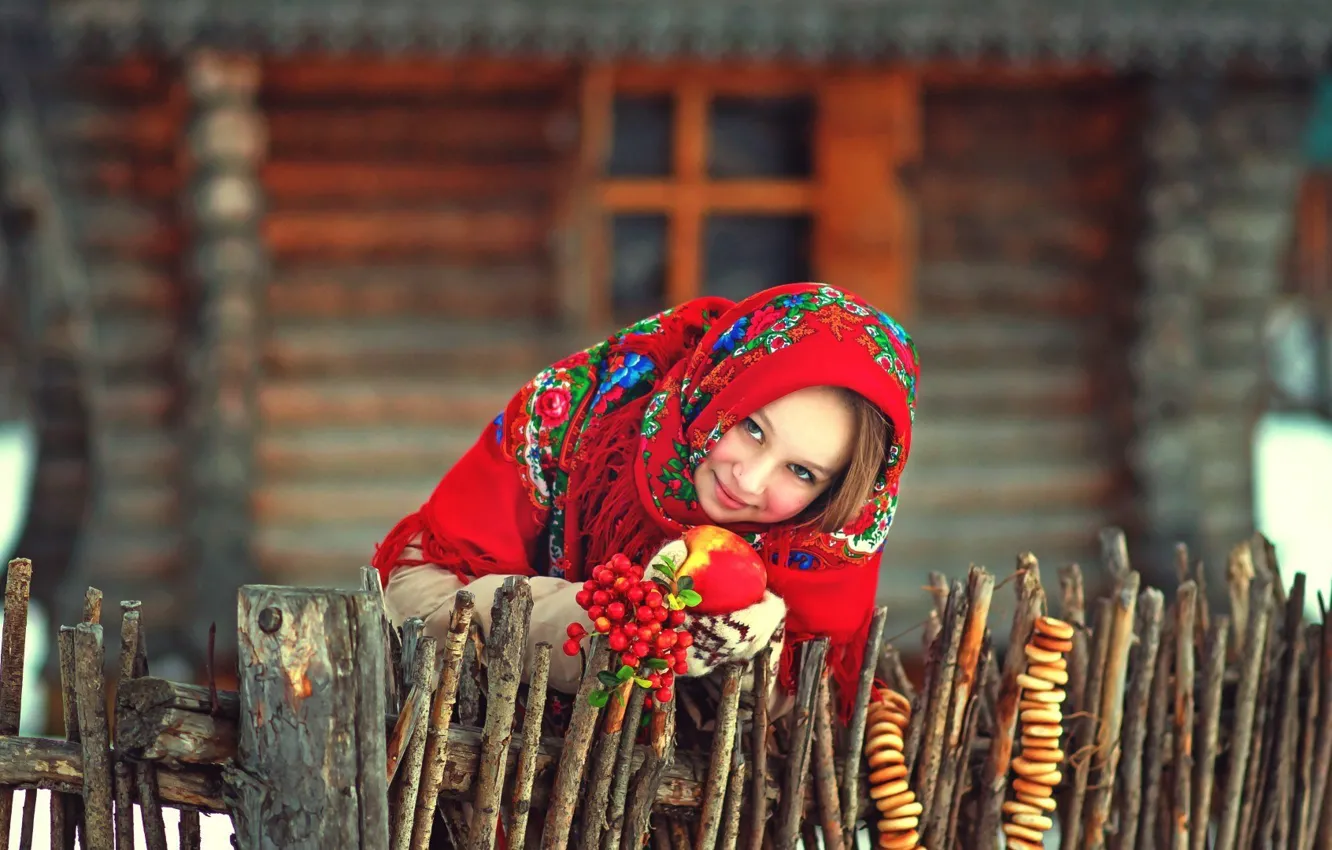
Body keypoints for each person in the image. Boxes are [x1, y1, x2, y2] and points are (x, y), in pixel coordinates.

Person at [371, 282, 919, 718]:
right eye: (750, 427)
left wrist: (749, 652)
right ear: (718, 384)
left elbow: (816, 700)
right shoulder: (580, 412)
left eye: (801, 471)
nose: (749, 481)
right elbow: (418, 593)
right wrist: (596, 624)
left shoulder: (831, 534)